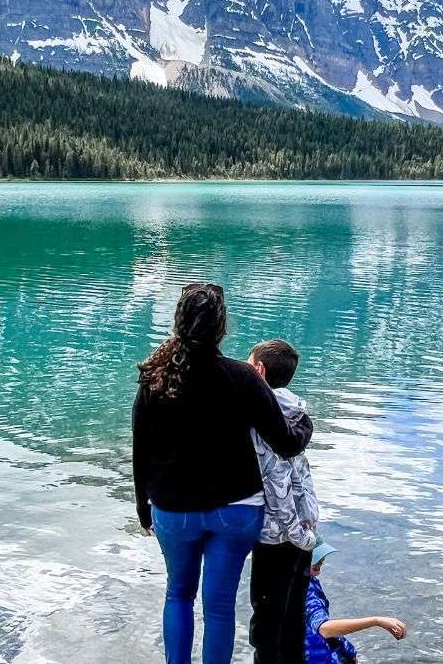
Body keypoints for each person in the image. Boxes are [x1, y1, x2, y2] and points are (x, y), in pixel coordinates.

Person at [133, 283, 314, 664]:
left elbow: (141, 449)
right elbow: (284, 442)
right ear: (222, 327)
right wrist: (305, 425)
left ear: (177, 322)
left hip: (173, 510)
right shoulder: (243, 378)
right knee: (218, 608)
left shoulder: (155, 379)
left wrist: (142, 506)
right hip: (236, 511)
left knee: (178, 594)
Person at [246, 339, 319, 663]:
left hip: (279, 535)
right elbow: (300, 476)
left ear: (259, 370)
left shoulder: (263, 415)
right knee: (293, 620)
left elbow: (276, 482)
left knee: (266, 625)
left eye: (248, 365)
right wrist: (308, 531)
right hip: (302, 528)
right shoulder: (295, 411)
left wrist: (295, 533)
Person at [305, 539, 407, 664]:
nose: (319, 572)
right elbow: (324, 629)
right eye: (316, 567)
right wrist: (376, 621)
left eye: (320, 565)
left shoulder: (302, 581)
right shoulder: (306, 589)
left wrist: (348, 650)